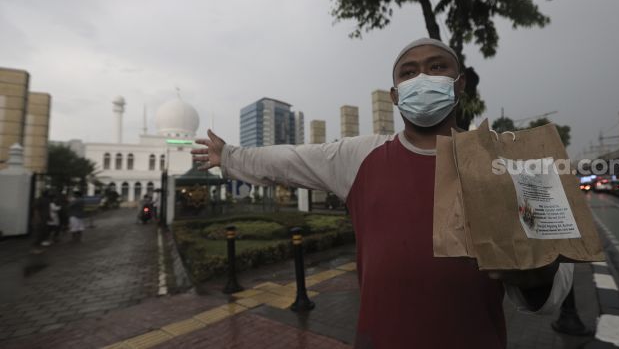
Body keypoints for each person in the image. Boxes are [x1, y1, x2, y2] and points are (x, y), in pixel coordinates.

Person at [191, 38, 573, 349]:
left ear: (459, 85)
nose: (422, 77)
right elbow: (287, 160)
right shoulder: (359, 156)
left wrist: (537, 276)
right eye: (409, 72)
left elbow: (549, 296)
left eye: (437, 67)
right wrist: (230, 156)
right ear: (395, 96)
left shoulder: (505, 163)